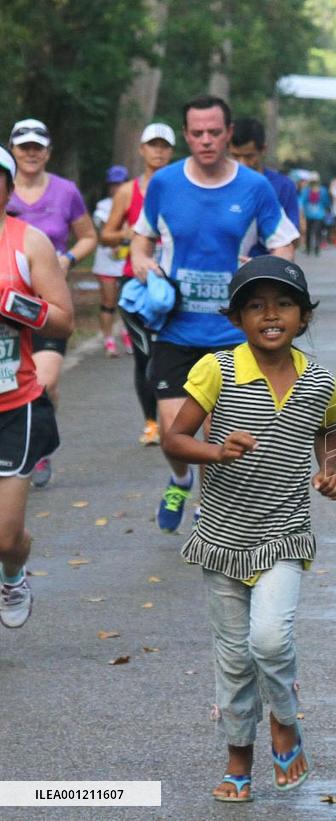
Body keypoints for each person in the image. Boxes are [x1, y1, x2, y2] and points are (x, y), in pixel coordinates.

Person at [162, 256, 336, 802]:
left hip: (284, 534)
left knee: (269, 639)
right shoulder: (217, 369)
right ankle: (238, 758)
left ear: (304, 317)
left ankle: (284, 722)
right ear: (238, 318)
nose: (271, 314)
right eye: (256, 306)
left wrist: (329, 471)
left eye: (284, 304)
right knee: (234, 658)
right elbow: (175, 440)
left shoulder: (319, 379)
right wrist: (216, 450)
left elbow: (328, 431)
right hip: (221, 541)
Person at [131, 95, 299, 534]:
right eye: (197, 133)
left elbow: (284, 243)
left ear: (228, 133)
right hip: (176, 327)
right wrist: (144, 264)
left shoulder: (254, 188)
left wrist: (265, 271)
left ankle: (210, 507)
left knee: (214, 429)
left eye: (214, 132)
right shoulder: (165, 184)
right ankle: (180, 478)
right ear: (185, 136)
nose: (206, 141)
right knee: (173, 431)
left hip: (231, 331)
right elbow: (141, 240)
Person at [0, 146, 75, 629]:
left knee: (5, 539)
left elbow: (65, 320)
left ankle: (13, 573)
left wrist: (14, 305)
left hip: (14, 404)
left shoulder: (29, 242)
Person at [8, 118, 97, 487]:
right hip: (5, 312)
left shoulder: (65, 191)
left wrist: (67, 260)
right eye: (23, 146)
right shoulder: (3, 189)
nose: (31, 152)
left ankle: (38, 445)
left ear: (48, 152)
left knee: (44, 382)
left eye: (37, 146)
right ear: (12, 152)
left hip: (46, 304)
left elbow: (88, 236)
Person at [101, 122, 176, 446]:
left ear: (171, 151)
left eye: (164, 145)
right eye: (152, 144)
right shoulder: (128, 191)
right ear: (142, 149)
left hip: (173, 282)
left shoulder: (181, 187)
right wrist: (133, 233)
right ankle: (151, 422)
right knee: (146, 355)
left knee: (175, 352)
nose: (158, 151)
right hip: (136, 285)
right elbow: (105, 235)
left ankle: (178, 419)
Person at [230, 118, 300, 258]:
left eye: (249, 156)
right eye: (236, 156)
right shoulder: (221, 184)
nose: (242, 163)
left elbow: (291, 238)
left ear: (263, 149)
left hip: (265, 271)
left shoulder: (283, 186)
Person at [91, 165, 130, 357]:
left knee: (126, 302)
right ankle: (108, 341)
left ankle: (126, 334)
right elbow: (102, 233)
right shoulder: (102, 207)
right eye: (113, 184)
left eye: (120, 184)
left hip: (126, 260)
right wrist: (121, 235)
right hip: (106, 261)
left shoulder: (133, 202)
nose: (117, 188)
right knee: (108, 302)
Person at [299, 177, 330, 256]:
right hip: (309, 215)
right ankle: (308, 248)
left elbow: (326, 202)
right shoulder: (306, 191)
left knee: (317, 232)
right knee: (309, 232)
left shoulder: (322, 191)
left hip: (319, 215)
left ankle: (316, 248)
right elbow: (302, 201)